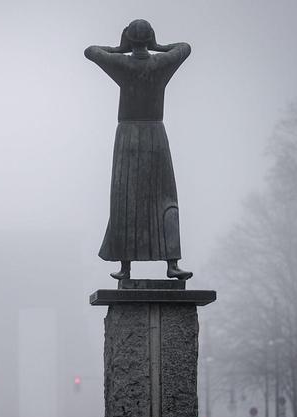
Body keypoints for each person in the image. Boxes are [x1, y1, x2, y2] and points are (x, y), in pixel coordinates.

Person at [85, 19, 193, 280]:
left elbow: (90, 51)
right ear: (149, 39)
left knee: (125, 201)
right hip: (156, 136)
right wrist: (159, 46)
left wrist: (119, 49)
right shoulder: (160, 64)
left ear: (128, 40)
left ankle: (125, 267)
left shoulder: (122, 64)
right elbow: (185, 47)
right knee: (165, 198)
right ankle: (172, 263)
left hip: (128, 139)